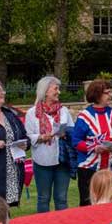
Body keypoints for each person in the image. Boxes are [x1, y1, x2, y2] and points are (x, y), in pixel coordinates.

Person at [71, 79, 112, 206]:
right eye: (107, 93)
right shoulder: (84, 116)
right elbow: (76, 141)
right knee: (87, 204)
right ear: (97, 95)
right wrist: (92, 148)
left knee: (110, 202)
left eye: (110, 92)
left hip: (111, 166)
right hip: (89, 167)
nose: (111, 95)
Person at [24, 75, 74, 213]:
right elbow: (28, 136)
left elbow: (72, 130)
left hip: (62, 159)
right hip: (42, 161)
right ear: (45, 91)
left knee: (61, 198)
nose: (59, 92)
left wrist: (66, 133)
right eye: (55, 89)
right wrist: (41, 137)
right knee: (43, 198)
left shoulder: (63, 111)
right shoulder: (32, 113)